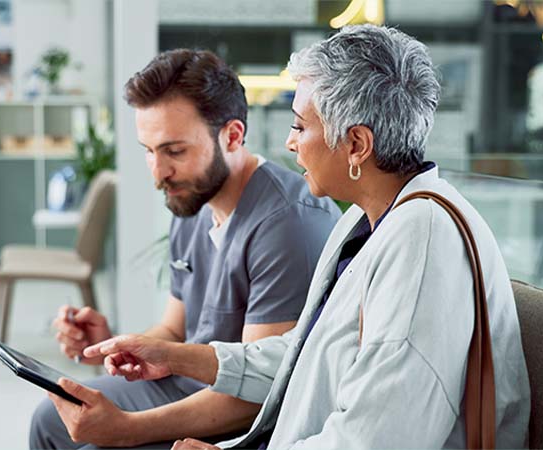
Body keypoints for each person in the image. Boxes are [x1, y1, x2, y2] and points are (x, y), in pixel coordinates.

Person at [76, 25, 532, 449]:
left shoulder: (423, 245)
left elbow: (377, 438)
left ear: (356, 144)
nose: (290, 143)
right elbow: (306, 357)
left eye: (299, 126)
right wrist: (175, 357)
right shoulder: (370, 222)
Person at [29, 49, 342, 449]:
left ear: (231, 136)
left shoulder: (288, 224)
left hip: (244, 417)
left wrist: (125, 428)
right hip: (184, 386)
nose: (159, 173)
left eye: (174, 151)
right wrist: (113, 347)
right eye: (149, 150)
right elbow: (175, 330)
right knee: (49, 418)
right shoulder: (192, 199)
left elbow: (259, 393)